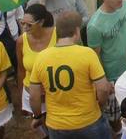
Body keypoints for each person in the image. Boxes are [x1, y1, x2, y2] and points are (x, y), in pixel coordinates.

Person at [27, 9, 112, 139]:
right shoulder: (87, 54)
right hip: (88, 120)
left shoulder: (41, 57)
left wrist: (37, 116)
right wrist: (101, 105)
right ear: (77, 31)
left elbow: (33, 96)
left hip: (57, 124)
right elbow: (103, 88)